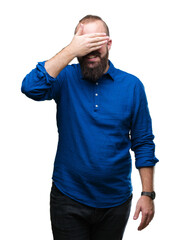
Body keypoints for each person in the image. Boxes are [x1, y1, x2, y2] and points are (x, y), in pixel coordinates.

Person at [21, 15, 159, 240]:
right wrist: (70, 50)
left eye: (97, 43)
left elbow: (143, 142)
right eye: (86, 44)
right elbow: (30, 87)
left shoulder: (132, 86)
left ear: (109, 44)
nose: (91, 51)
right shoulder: (65, 78)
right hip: (68, 198)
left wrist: (147, 193)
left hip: (116, 202)